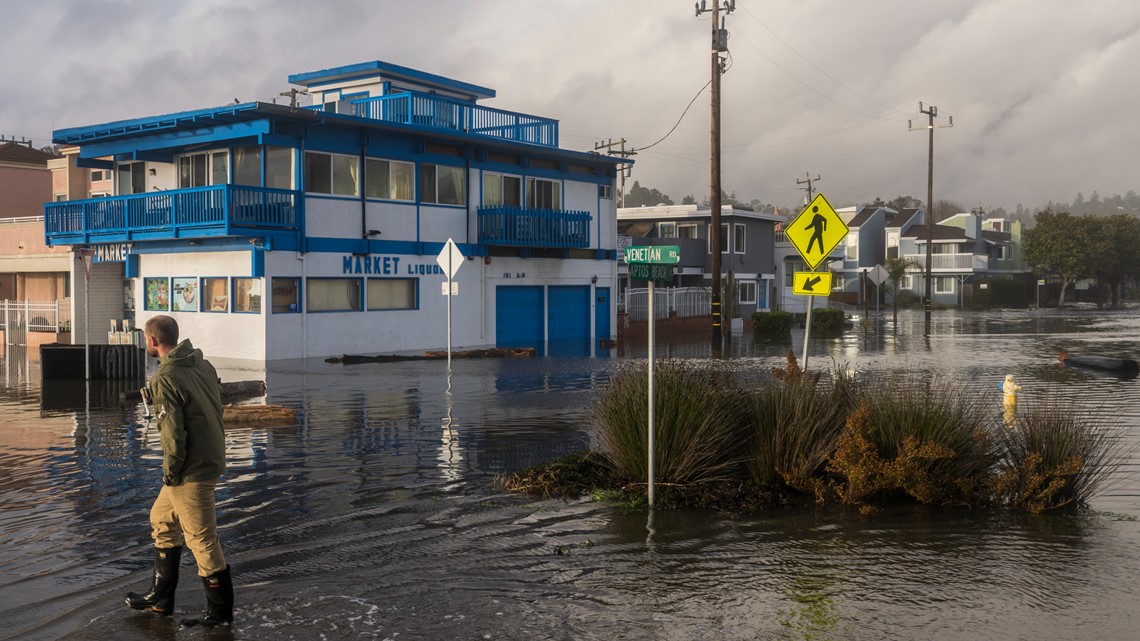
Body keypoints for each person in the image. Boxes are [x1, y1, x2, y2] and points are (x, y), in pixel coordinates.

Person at [125, 315, 234, 627]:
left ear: (152, 341)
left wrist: (171, 473)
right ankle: (160, 598)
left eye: (146, 339)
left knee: (203, 542)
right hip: (208, 459)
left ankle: (220, 615)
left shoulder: (165, 377)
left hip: (190, 470)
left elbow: (173, 435)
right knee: (161, 519)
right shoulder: (202, 364)